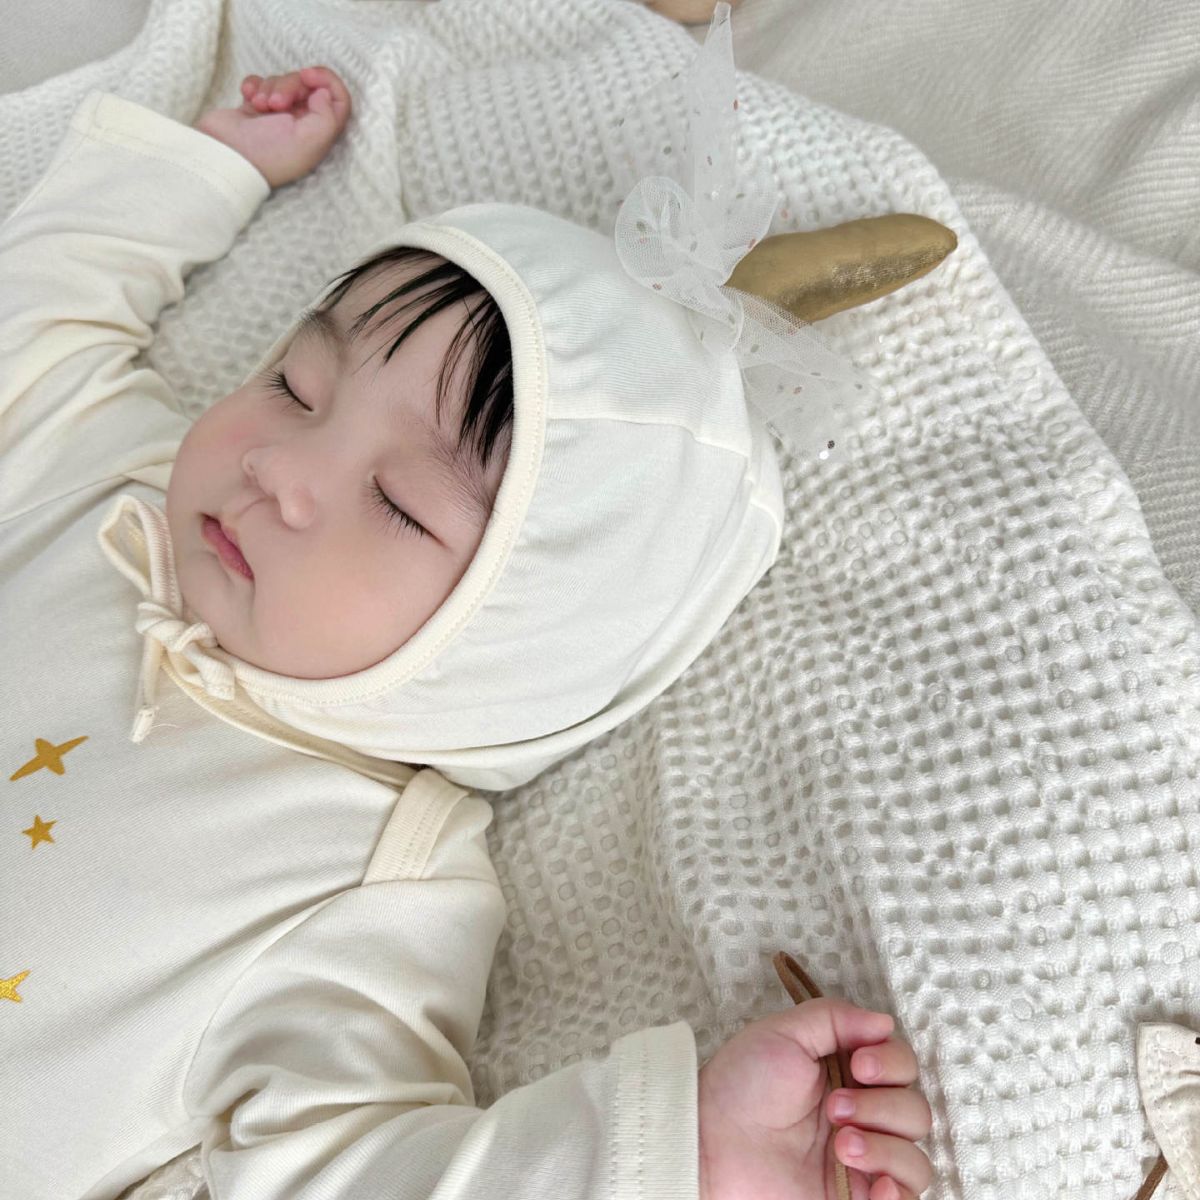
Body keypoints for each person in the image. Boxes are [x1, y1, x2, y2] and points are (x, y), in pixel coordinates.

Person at [0, 10, 933, 1199]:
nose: (280, 470)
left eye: (397, 504)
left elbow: (349, 1169)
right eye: (294, 384)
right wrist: (198, 169)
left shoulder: (371, 880)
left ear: (509, 645)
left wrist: (681, 1156)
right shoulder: (110, 482)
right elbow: (39, 316)